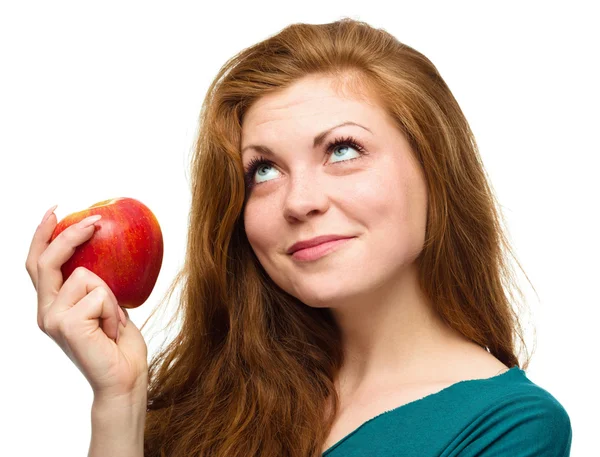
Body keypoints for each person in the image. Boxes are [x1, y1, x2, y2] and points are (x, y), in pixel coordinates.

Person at [26, 17, 572, 457]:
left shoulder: (510, 429)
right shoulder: (211, 401)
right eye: (262, 170)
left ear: (436, 171)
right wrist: (119, 402)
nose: (297, 201)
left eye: (343, 150)